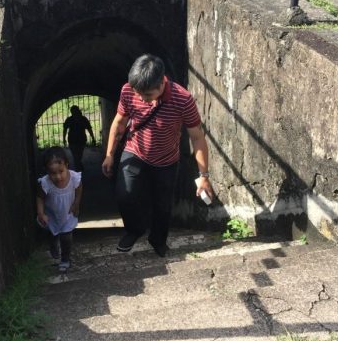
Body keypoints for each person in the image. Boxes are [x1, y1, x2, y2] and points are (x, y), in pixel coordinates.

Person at [101, 54, 214, 257]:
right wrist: (109, 154)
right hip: (134, 151)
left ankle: (158, 240)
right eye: (139, 93)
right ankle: (134, 229)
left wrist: (204, 176)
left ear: (162, 83)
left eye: (147, 94)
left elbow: (197, 138)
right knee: (124, 194)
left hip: (166, 160)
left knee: (162, 206)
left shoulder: (183, 99)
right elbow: (119, 123)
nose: (142, 98)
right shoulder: (128, 91)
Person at [37, 146, 82, 274]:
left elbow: (79, 189)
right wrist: (41, 213)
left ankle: (65, 260)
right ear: (47, 171)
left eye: (61, 171)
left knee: (66, 237)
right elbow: (40, 198)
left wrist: (76, 204)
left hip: (68, 212)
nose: (58, 176)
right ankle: (53, 244)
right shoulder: (45, 183)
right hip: (52, 215)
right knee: (52, 233)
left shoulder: (74, 178)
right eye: (53, 173)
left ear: (67, 165)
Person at [63, 105, 95, 172]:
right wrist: (93, 138)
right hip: (78, 140)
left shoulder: (71, 119)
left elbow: (65, 130)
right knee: (77, 155)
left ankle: (78, 166)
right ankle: (78, 168)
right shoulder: (82, 119)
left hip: (75, 140)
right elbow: (89, 128)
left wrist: (64, 139)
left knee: (78, 155)